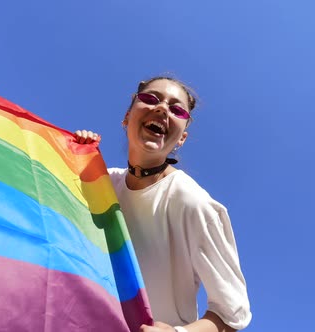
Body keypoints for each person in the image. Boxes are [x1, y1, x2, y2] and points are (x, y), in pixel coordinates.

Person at [75, 76, 251, 332]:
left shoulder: (193, 203)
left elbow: (233, 312)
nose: (162, 109)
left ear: (182, 138)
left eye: (176, 109)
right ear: (126, 117)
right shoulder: (101, 181)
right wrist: (75, 154)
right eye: (150, 99)